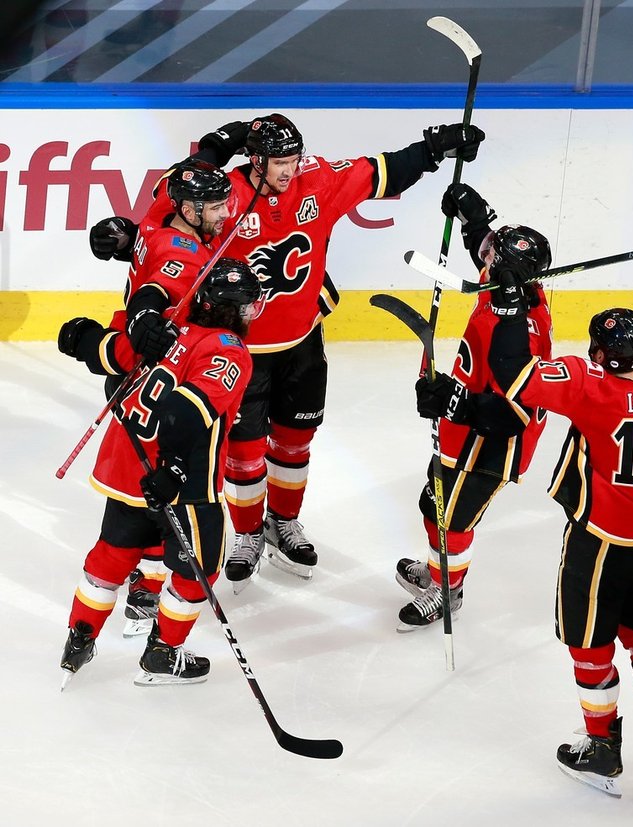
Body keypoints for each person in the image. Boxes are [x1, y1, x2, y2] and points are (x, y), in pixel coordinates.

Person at [89, 114, 486, 588]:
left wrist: (435, 148)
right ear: (255, 159)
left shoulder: (316, 179)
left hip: (302, 342)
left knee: (295, 441)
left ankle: (285, 520)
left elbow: (381, 171)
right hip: (238, 351)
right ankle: (249, 532)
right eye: (279, 161)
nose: (289, 169)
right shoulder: (224, 197)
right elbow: (170, 209)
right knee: (244, 449)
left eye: (293, 157)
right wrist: (128, 236)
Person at [486, 228, 633, 801]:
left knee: (590, 644)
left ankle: (602, 747)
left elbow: (512, 372)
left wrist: (511, 302)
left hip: (604, 540)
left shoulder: (588, 387)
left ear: (600, 354)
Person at [59, 259, 261, 687]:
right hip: (184, 487)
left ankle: (79, 637)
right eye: (249, 307)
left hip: (128, 471)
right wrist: (172, 466)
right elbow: (181, 412)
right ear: (237, 310)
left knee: (111, 557)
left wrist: (83, 338)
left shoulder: (168, 327)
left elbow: (112, 355)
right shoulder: (229, 350)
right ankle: (162, 654)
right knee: (199, 569)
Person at [61, 157, 235, 636]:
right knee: (166, 485)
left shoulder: (164, 214)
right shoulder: (182, 252)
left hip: (142, 367)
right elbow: (157, 289)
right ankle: (149, 593)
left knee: (136, 500)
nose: (226, 213)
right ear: (189, 207)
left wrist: (124, 235)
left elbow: (151, 255)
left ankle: (134, 590)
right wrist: (140, 321)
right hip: (167, 365)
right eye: (216, 205)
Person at [398, 183, 553, 630]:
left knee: (454, 519)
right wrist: (474, 214)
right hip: (462, 430)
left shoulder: (525, 332)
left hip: (491, 445)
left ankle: (448, 591)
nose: (484, 259)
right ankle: (436, 573)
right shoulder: (506, 288)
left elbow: (514, 414)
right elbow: (483, 247)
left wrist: (455, 401)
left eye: (492, 258)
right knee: (435, 505)